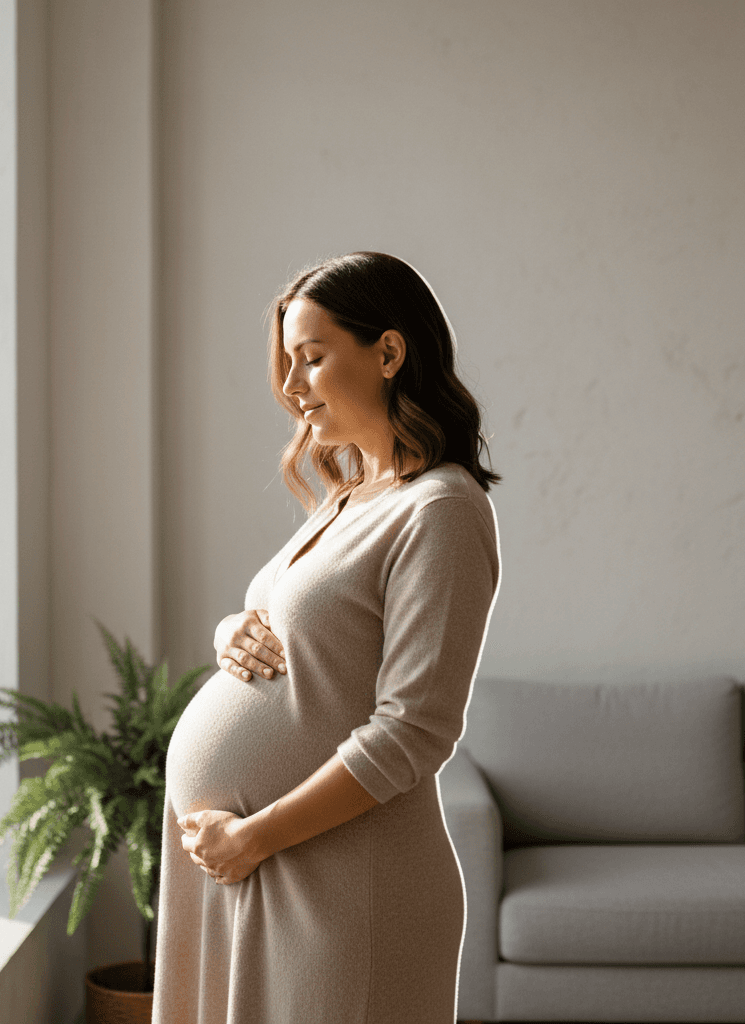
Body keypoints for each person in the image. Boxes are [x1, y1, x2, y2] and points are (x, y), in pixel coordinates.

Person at [152, 252, 501, 1024]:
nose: (291, 385)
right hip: (258, 869)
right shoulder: (349, 498)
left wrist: (254, 836)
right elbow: (313, 634)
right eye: (288, 362)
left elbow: (414, 731)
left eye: (311, 357)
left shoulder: (440, 509)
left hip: (337, 882)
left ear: (388, 352)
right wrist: (233, 632)